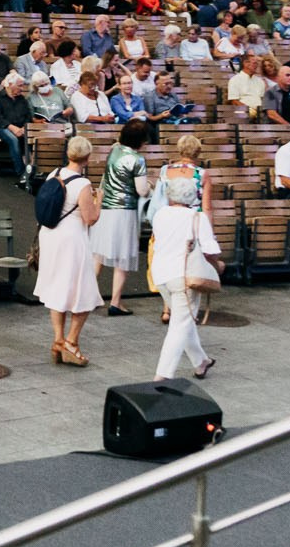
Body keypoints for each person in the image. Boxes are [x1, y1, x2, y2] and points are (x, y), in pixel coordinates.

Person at [147, 136, 221, 380]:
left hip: (161, 274)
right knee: (180, 325)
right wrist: (218, 263)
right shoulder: (195, 218)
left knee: (184, 319)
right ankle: (162, 375)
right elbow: (210, 248)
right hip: (183, 274)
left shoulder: (159, 216)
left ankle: (201, 361)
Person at [38, 136, 101, 367]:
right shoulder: (82, 184)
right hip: (72, 239)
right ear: (87, 158)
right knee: (81, 291)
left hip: (51, 235)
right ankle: (71, 341)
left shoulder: (54, 174)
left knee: (58, 287)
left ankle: (58, 339)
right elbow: (90, 218)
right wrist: (99, 201)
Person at [95, 119, 150, 316]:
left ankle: (90, 295)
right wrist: (151, 186)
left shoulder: (114, 150)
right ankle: (116, 301)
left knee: (99, 252)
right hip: (125, 211)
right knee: (123, 256)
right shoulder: (137, 159)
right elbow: (141, 190)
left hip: (106, 208)